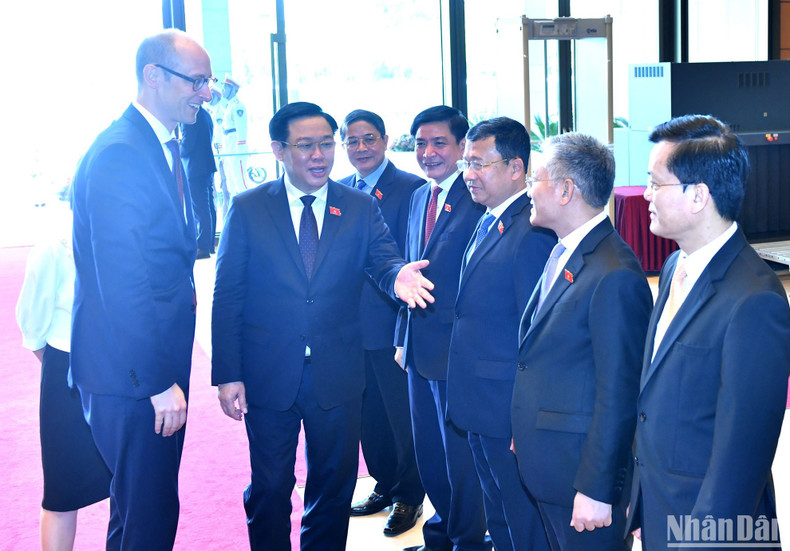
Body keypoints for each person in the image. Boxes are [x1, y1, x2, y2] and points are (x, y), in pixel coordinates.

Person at [210, 101, 436, 551]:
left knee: (332, 487)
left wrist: (398, 277)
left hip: (337, 372)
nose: (320, 155)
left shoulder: (357, 206)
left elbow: (382, 261)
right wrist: (228, 374)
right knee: (271, 486)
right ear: (278, 150)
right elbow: (228, 293)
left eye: (327, 144)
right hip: (268, 371)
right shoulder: (250, 208)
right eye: (306, 146)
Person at [70, 29, 213, 549]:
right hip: (133, 379)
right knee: (149, 518)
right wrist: (155, 382)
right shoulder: (121, 154)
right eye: (197, 81)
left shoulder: (155, 145)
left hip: (138, 371)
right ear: (154, 76)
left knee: (135, 512)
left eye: (208, 82)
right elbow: (121, 283)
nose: (206, 93)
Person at [626, 114, 790, 550]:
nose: (645, 195)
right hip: (666, 510)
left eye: (655, 184)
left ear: (698, 196)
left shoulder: (754, 301)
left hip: (711, 530)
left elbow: (743, 455)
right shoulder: (675, 264)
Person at [511, 132, 652, 551]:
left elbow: (620, 395)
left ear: (566, 190)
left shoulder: (614, 274)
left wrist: (597, 487)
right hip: (552, 465)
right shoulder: (565, 253)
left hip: (582, 484)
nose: (528, 189)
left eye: (535, 178)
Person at [446, 117, 555, 551]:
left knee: (521, 520)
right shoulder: (490, 217)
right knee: (499, 516)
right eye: (465, 164)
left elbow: (535, 334)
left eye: (478, 163)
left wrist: (522, 417)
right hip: (478, 400)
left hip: (505, 405)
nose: (468, 174)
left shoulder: (531, 232)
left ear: (516, 168)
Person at [396, 105, 488, 551]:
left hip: (458, 354)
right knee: (430, 455)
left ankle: (467, 541)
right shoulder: (419, 196)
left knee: (461, 461)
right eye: (420, 144)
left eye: (439, 143)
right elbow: (410, 274)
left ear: (461, 147)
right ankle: (442, 535)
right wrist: (401, 339)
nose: (428, 153)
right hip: (418, 350)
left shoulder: (477, 199)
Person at [338, 109, 426, 536]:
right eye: (352, 141)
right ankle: (384, 484)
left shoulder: (411, 189)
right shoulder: (338, 190)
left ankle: (410, 495)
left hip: (390, 322)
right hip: (348, 327)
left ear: (386, 141)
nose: (361, 148)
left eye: (368, 139)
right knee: (366, 417)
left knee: (400, 416)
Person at [16, 190, 112, 551]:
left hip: (122, 372)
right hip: (67, 373)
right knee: (61, 489)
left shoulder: (128, 237)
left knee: (129, 485)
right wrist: (62, 367)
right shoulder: (53, 246)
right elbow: (32, 321)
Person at [181, 104, 217, 258]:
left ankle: (202, 247)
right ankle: (208, 245)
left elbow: (187, 144)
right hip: (206, 166)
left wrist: (176, 147)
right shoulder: (205, 114)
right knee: (208, 206)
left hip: (195, 167)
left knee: (200, 208)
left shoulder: (190, 116)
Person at [220, 75, 248, 198]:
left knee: (241, 183)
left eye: (226, 87)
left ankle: (251, 211)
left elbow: (241, 129)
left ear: (233, 89)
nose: (223, 90)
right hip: (228, 147)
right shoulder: (228, 106)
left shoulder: (238, 106)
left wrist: (239, 150)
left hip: (236, 149)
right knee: (232, 183)